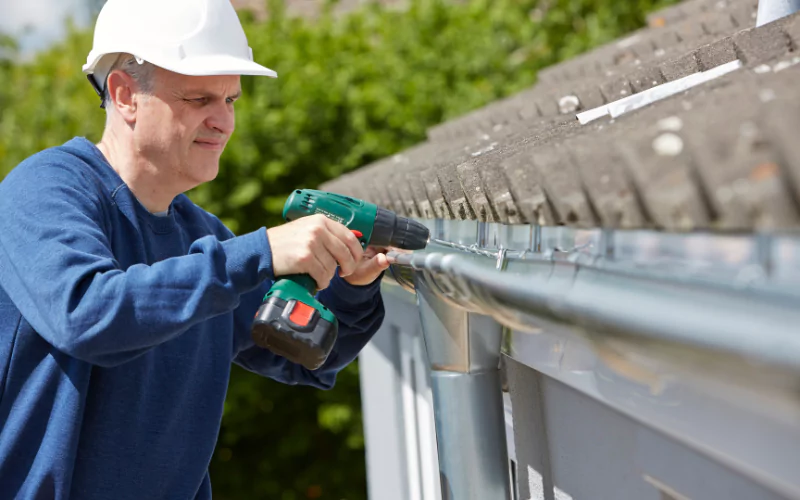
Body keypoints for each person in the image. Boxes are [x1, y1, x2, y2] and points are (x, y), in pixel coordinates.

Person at [0, 0, 390, 498]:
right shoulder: (45, 189)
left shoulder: (201, 235)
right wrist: (260, 253)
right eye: (199, 98)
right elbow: (86, 315)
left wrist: (355, 287)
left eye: (230, 100)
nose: (223, 121)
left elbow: (302, 355)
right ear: (124, 95)